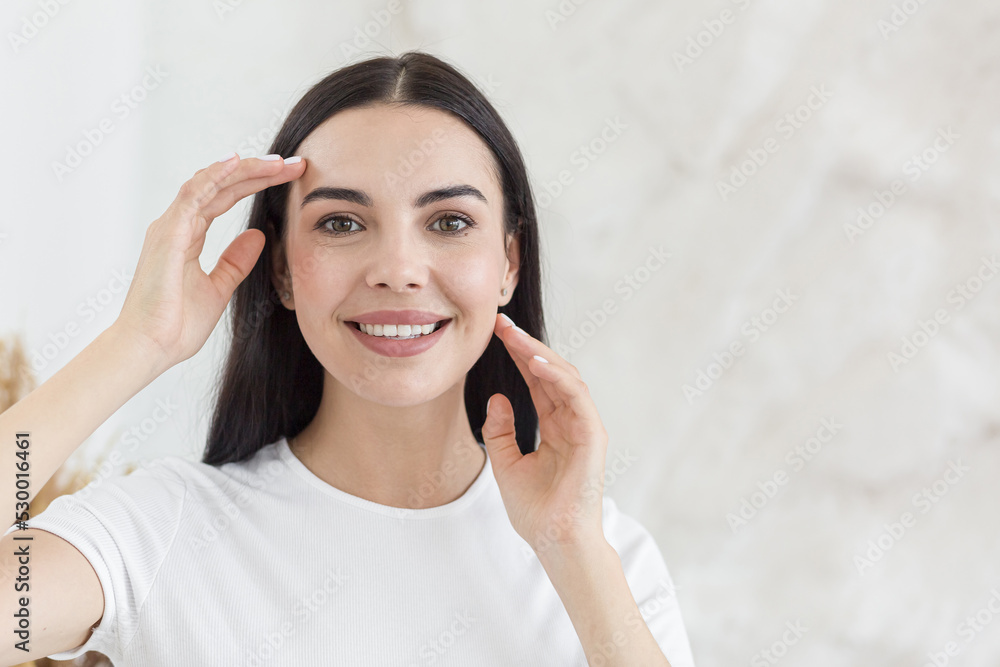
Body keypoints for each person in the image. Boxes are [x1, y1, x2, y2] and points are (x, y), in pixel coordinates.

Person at [0, 51, 695, 666]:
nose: (398, 268)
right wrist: (134, 348)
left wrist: (571, 547)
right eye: (341, 222)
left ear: (509, 262)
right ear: (279, 271)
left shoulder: (603, 558)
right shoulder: (159, 531)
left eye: (449, 221)